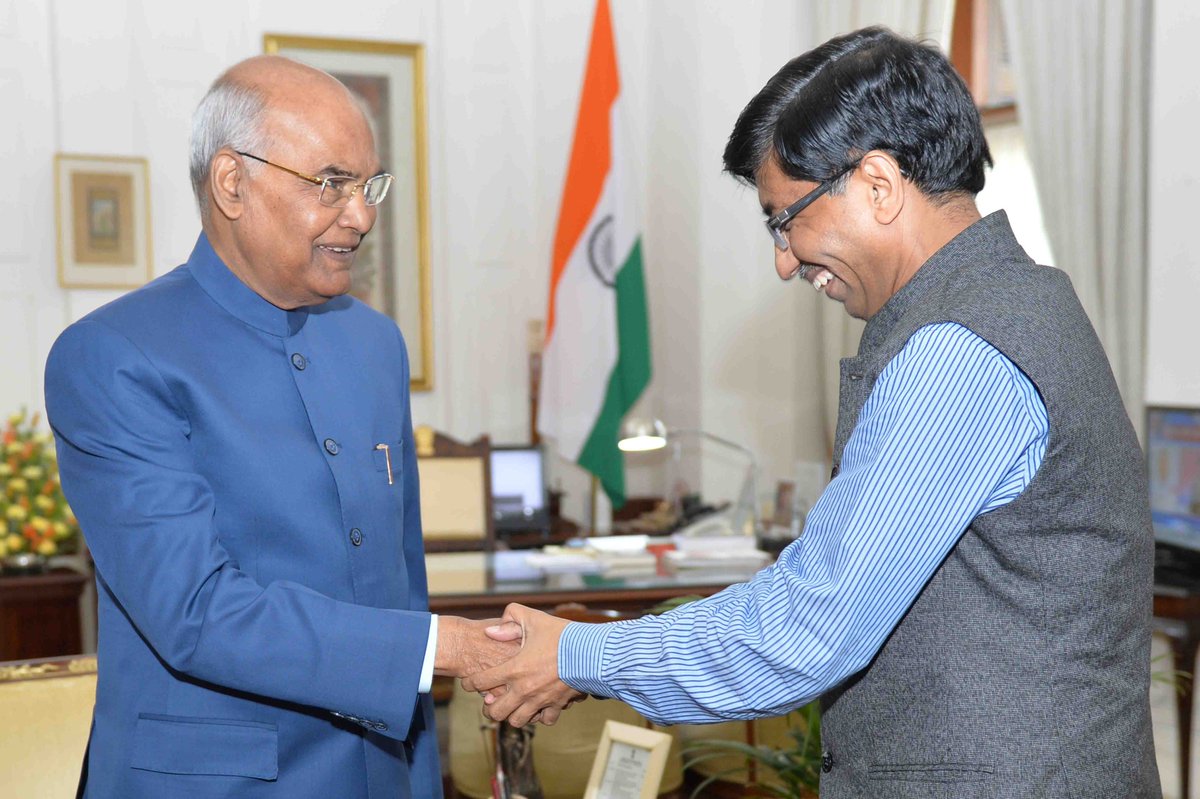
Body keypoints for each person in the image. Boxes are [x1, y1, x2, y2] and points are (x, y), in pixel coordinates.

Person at [463, 26, 1161, 798]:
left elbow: (805, 626)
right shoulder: (1023, 301)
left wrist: (580, 653)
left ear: (878, 183)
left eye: (784, 218)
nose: (784, 259)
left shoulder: (958, 354)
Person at [45, 55, 518, 798]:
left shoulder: (373, 345)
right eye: (331, 183)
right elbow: (196, 610)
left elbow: (400, 580)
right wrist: (448, 646)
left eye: (369, 186)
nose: (360, 215)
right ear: (233, 182)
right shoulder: (113, 357)